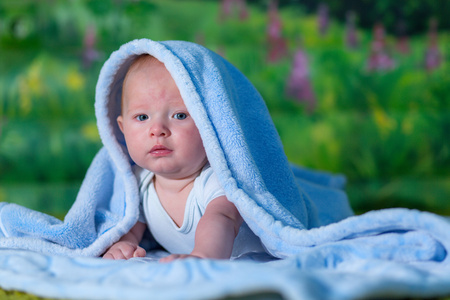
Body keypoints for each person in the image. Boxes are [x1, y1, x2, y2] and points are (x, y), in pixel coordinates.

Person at [102, 54, 244, 262]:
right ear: (122, 129)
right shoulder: (139, 182)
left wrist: (203, 257)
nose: (157, 130)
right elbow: (132, 224)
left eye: (180, 115)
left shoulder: (215, 180)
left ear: (209, 123)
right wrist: (125, 243)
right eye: (142, 117)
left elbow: (223, 219)